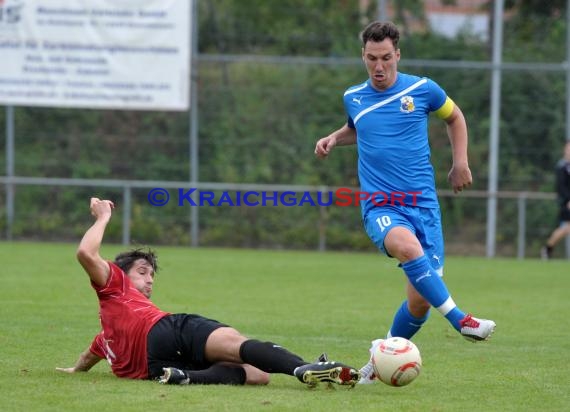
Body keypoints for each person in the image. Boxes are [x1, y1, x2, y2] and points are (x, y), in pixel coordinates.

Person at [313, 21, 496, 384]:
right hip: (381, 205)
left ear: (397, 54)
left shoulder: (422, 89)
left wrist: (460, 162)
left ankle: (375, 362)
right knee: (408, 249)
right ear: (362, 57)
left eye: (385, 58)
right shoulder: (354, 96)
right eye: (371, 59)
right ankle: (463, 321)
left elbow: (455, 117)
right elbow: (359, 127)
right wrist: (334, 138)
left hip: (424, 206)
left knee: (419, 303)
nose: (378, 67)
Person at [56, 197, 361, 388]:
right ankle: (303, 366)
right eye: (142, 272)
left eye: (152, 275)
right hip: (164, 331)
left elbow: (89, 355)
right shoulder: (114, 285)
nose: (150, 280)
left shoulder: (108, 338)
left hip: (154, 367)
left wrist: (75, 370)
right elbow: (85, 252)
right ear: (121, 274)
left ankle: (186, 377)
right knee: (236, 343)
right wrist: (103, 217)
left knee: (258, 376)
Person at [541, 141, 570, 260]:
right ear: (565, 150)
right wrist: (568, 200)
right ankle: (547, 248)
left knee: (566, 228)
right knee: (566, 228)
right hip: (566, 202)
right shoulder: (561, 167)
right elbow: (561, 186)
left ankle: (548, 249)